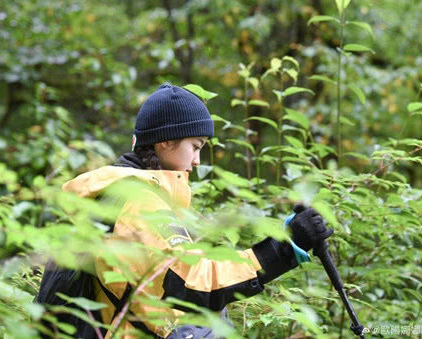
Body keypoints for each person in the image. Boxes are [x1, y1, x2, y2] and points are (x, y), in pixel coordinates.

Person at [54, 84, 333, 338]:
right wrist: (284, 248)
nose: (197, 161)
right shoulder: (140, 201)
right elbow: (195, 282)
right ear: (165, 140)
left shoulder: (111, 193)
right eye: (195, 147)